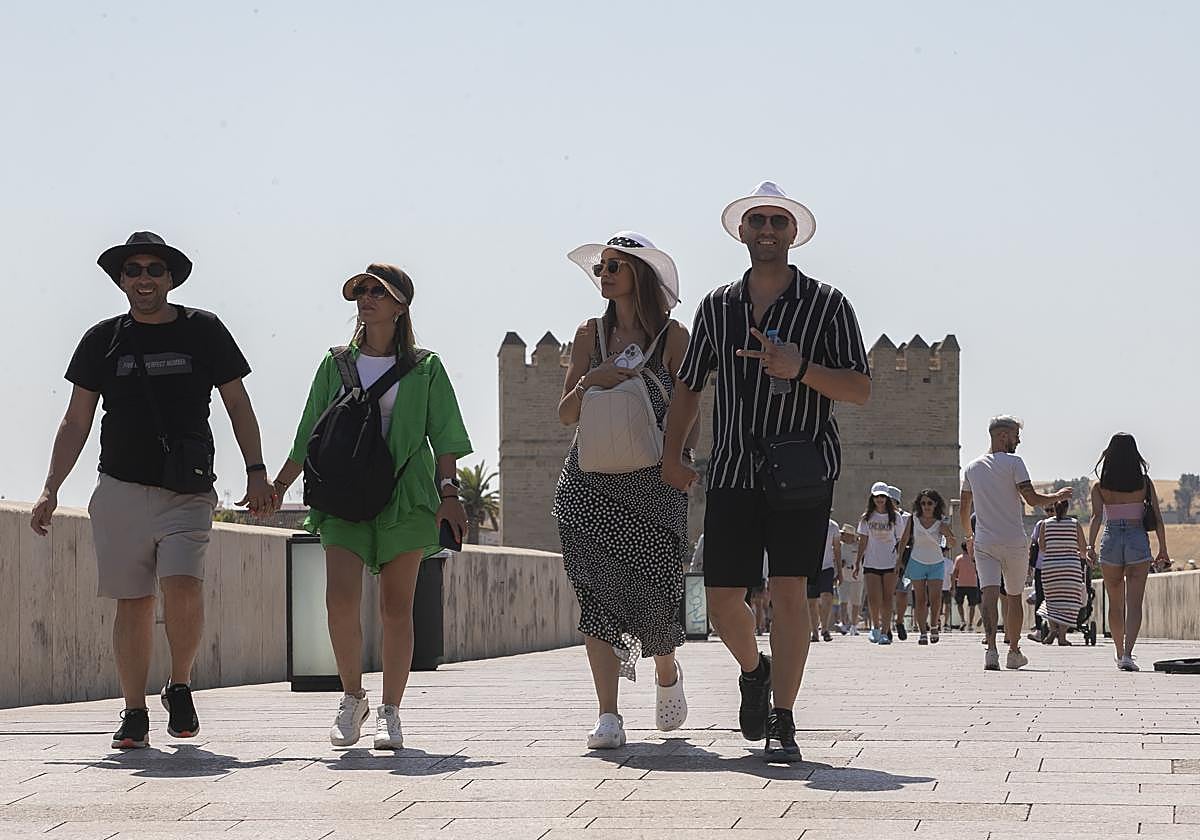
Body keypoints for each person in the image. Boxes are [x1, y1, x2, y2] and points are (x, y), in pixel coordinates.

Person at [29, 231, 273, 750]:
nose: (144, 278)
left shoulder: (203, 330)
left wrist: (256, 471)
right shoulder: (103, 340)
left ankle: (179, 684)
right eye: (134, 270)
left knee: (183, 585)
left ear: (170, 278)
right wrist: (51, 488)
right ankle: (134, 709)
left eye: (154, 269)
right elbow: (76, 421)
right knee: (134, 601)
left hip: (186, 488)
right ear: (121, 281)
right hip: (119, 486)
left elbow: (237, 403)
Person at [662, 180, 870, 762]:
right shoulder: (717, 307)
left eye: (779, 222)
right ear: (742, 232)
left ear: (793, 233)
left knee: (789, 591)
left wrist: (801, 368)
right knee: (724, 594)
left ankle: (783, 719)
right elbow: (688, 387)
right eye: (758, 222)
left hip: (803, 471)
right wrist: (672, 455)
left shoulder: (827, 305)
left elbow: (859, 388)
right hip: (731, 468)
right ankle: (755, 671)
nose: (768, 231)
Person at [270, 264, 471, 750]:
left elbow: (443, 437)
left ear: (400, 305)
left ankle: (391, 711)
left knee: (396, 607)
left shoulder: (425, 367)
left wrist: (450, 495)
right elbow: (308, 431)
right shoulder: (336, 362)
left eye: (378, 291)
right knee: (339, 600)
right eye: (361, 290)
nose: (366, 298)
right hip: (343, 498)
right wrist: (278, 486)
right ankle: (352, 696)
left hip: (406, 496)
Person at [553, 232, 692, 748]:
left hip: (653, 486)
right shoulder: (588, 335)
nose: (605, 274)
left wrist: (678, 458)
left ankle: (665, 668)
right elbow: (566, 414)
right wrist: (597, 379)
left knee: (657, 598)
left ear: (639, 274)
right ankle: (608, 714)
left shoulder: (675, 338)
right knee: (596, 595)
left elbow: (690, 413)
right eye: (601, 267)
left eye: (615, 266)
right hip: (587, 486)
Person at [960, 416, 1072, 671]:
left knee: (988, 594)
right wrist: (1057, 496)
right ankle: (1013, 651)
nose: (1018, 441)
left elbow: (964, 508)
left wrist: (969, 536)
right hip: (1013, 541)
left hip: (984, 541)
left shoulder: (972, 468)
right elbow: (1032, 499)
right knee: (1013, 597)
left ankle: (990, 650)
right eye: (1015, 436)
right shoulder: (1015, 463)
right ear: (1002, 436)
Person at [1087, 433, 1170, 671]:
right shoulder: (1144, 483)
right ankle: (1128, 654)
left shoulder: (1100, 486)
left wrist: (1090, 547)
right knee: (1134, 604)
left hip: (1111, 539)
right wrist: (1162, 548)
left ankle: (1118, 650)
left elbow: (1095, 518)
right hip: (1136, 539)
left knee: (1115, 604)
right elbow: (1158, 517)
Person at [895, 489, 956, 645]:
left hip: (936, 562)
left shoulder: (940, 521)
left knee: (936, 599)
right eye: (923, 503)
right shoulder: (913, 519)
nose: (926, 506)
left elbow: (951, 541)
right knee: (920, 600)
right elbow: (904, 540)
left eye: (929, 503)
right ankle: (923, 632)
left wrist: (949, 535)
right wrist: (898, 560)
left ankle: (934, 626)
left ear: (935, 504)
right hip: (917, 561)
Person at [1036, 499, 1090, 645]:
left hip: (1050, 568)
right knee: (1068, 601)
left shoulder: (1044, 524)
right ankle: (1062, 636)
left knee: (1052, 600)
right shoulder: (1074, 524)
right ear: (1067, 508)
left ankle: (1053, 630)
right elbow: (1083, 548)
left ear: (1054, 507)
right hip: (1070, 568)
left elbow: (1041, 547)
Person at [856, 482, 904, 645]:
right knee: (873, 598)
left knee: (887, 598)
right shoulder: (866, 517)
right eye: (877, 496)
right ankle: (875, 628)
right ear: (872, 498)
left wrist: (900, 560)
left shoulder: (896, 517)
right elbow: (863, 540)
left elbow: (900, 540)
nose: (880, 499)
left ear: (887, 498)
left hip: (890, 561)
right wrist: (857, 562)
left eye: (882, 496)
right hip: (871, 560)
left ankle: (885, 631)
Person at [807, 520, 842, 642]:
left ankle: (825, 629)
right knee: (811, 602)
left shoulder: (833, 526)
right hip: (811, 567)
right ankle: (814, 632)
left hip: (827, 567)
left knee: (827, 597)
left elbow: (837, 549)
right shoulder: (808, 523)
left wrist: (840, 572)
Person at [1026, 504, 1055, 643]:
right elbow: (1033, 545)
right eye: (1048, 510)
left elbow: (1034, 544)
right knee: (1040, 597)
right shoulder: (1040, 524)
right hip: (1042, 566)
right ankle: (1040, 629)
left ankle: (1050, 629)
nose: (1049, 513)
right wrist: (1030, 565)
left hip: (1047, 566)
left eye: (1052, 510)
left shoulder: (1042, 525)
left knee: (1048, 597)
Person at [888, 485, 913, 640]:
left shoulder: (906, 518)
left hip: (904, 559)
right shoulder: (878, 516)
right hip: (885, 559)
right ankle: (886, 624)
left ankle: (899, 621)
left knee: (902, 592)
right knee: (886, 594)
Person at [837, 524, 863, 635]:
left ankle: (854, 625)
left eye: (844, 534)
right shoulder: (839, 546)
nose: (842, 536)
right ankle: (843, 623)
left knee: (856, 602)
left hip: (857, 577)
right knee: (843, 601)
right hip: (843, 576)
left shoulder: (858, 546)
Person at [952, 541, 981, 631]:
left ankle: (962, 620)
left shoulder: (959, 558)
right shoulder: (974, 559)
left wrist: (953, 585)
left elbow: (955, 573)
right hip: (973, 584)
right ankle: (970, 623)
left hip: (961, 584)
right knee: (972, 605)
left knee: (959, 604)